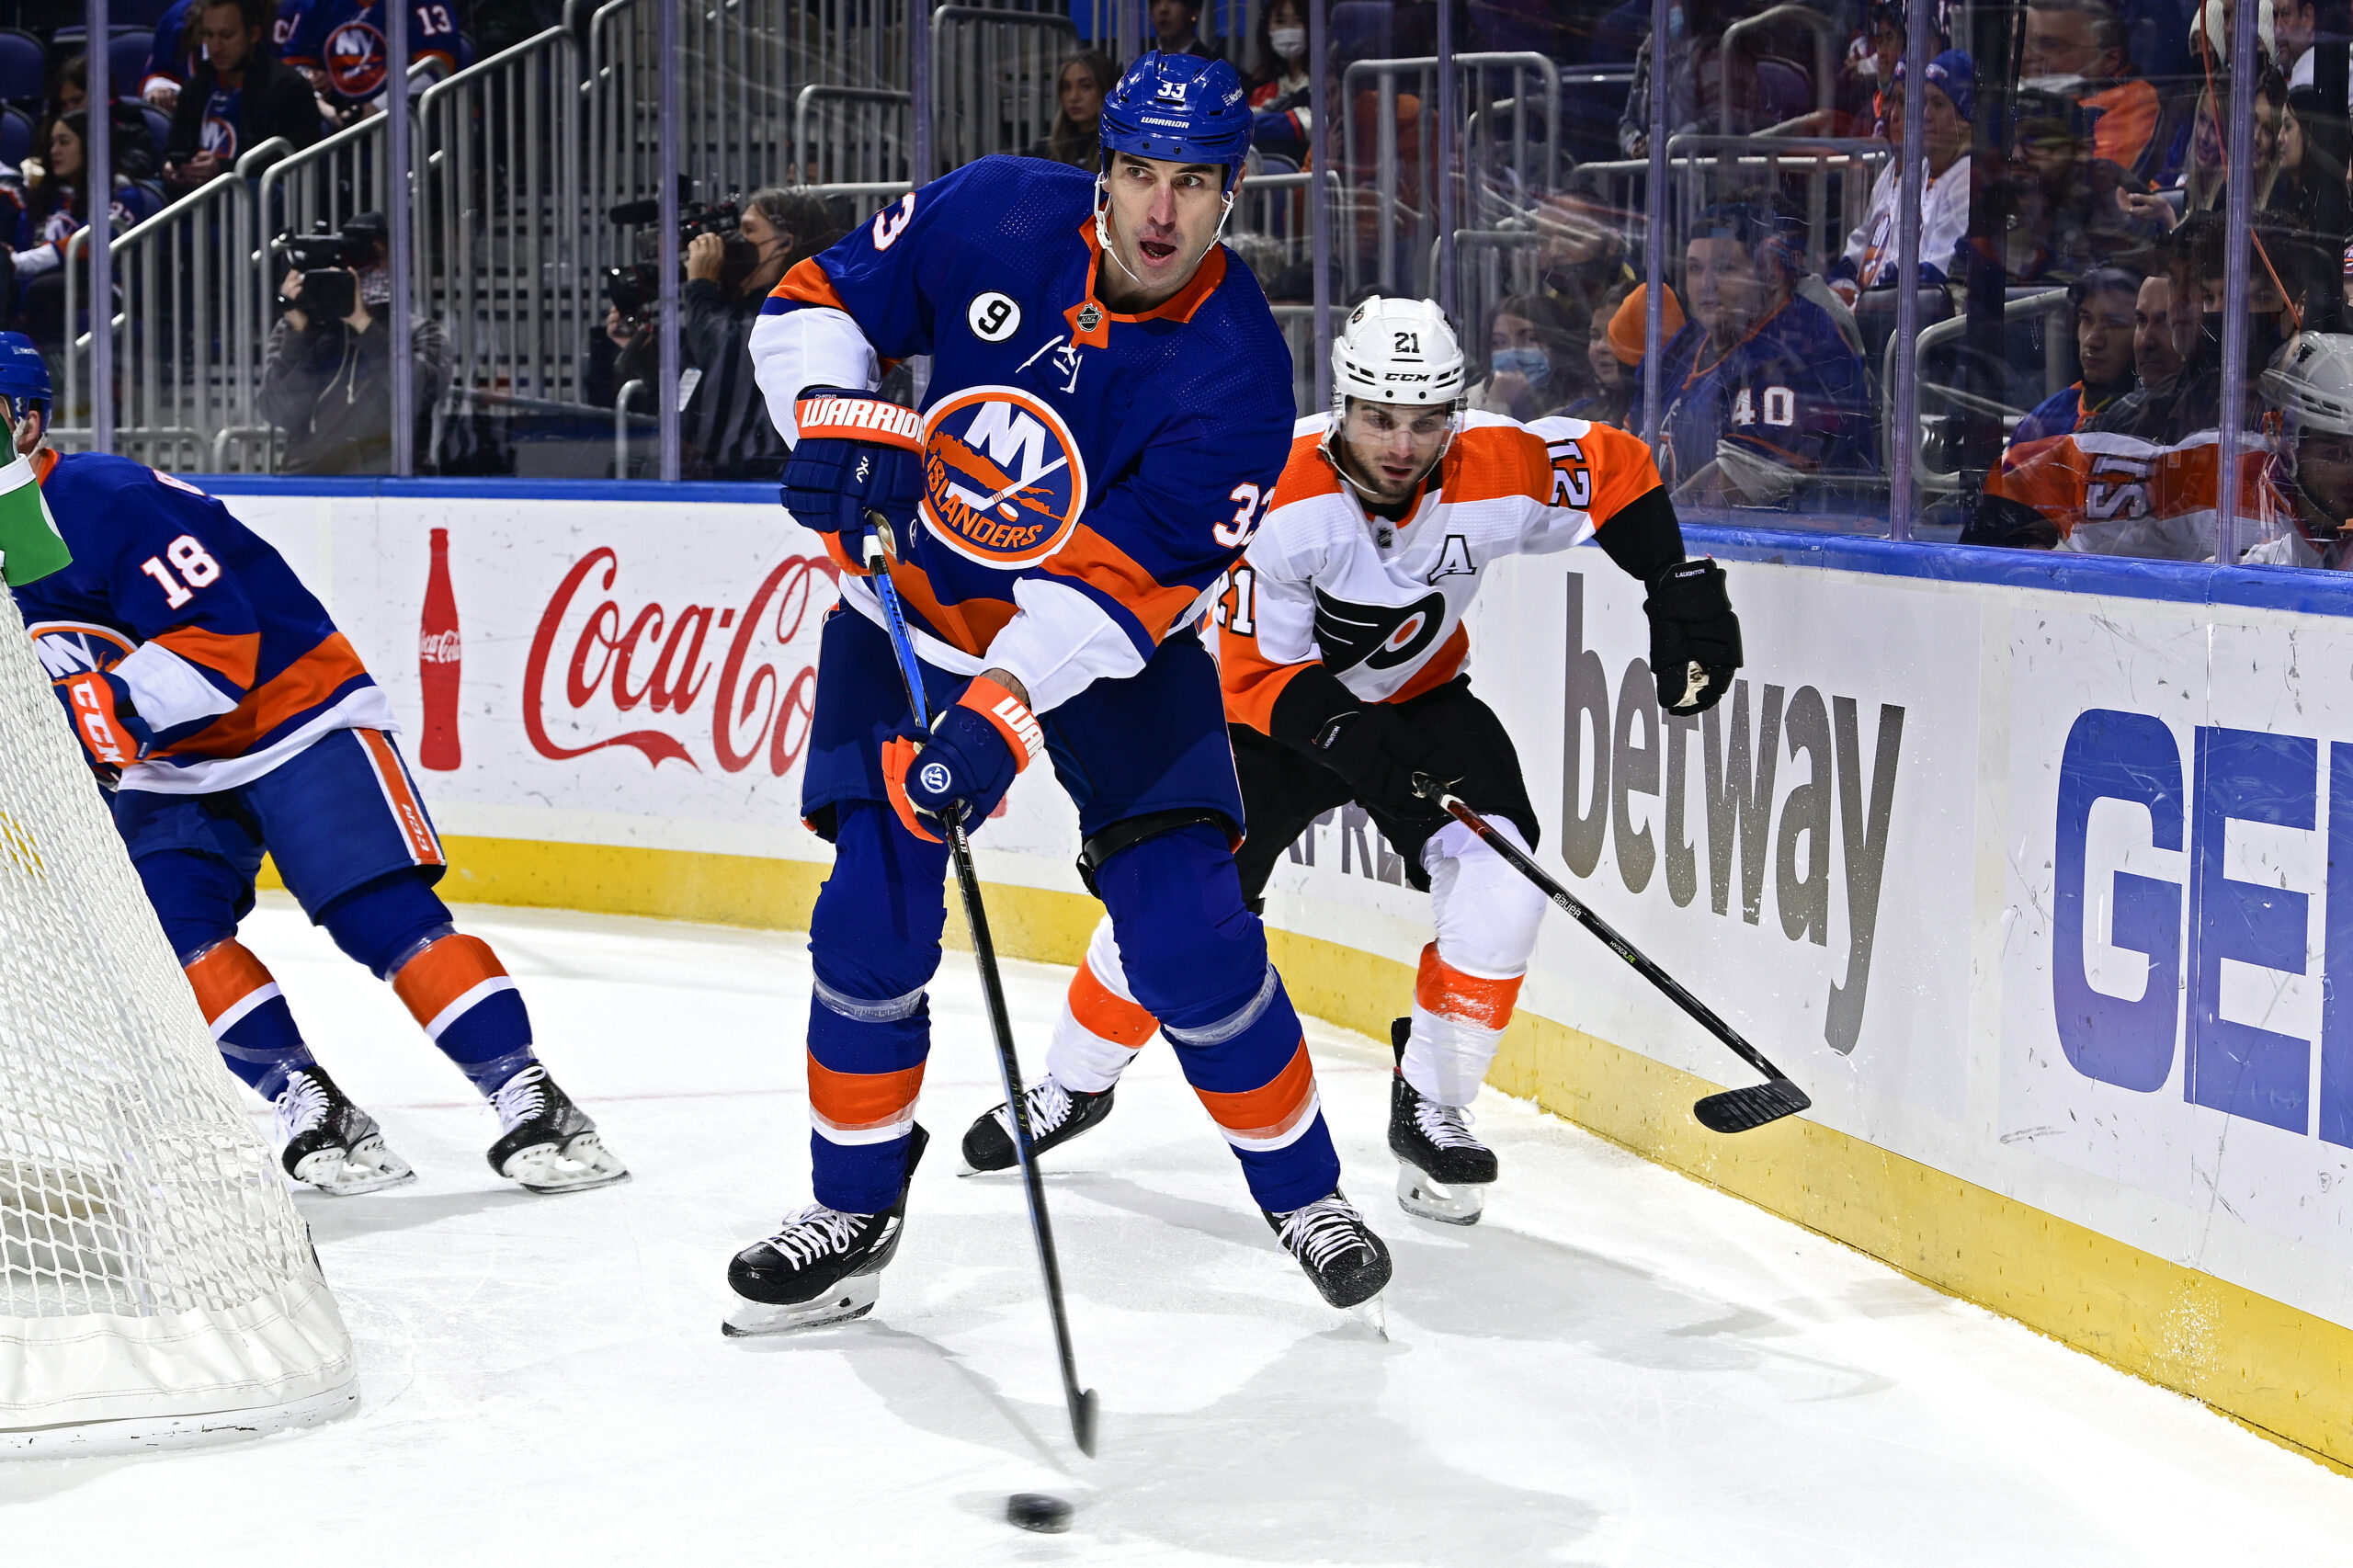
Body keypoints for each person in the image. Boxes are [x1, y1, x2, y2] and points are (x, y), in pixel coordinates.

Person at [725, 51, 1384, 1334]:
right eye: (1139, 172)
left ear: (1232, 192)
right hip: (906, 618)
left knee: (1190, 937)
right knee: (869, 919)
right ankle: (853, 1212)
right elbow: (812, 298)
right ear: (1106, 165)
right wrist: (828, 420)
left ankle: (1306, 1193)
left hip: (1110, 653)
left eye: (1192, 183)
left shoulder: (1241, 377)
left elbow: (1105, 597)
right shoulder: (995, 210)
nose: (1158, 211)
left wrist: (996, 715)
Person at [957, 300, 1743, 1227]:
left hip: (1421, 703)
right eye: (1378, 416)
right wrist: (1369, 753)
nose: (1401, 443)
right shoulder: (1276, 492)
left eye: (1424, 420)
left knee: (1505, 877)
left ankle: (1433, 1098)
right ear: (1342, 405)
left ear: (1454, 410)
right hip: (1263, 723)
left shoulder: (1497, 463)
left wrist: (1669, 582)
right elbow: (1256, 677)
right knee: (1171, 913)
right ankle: (1072, 1083)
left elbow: (1615, 468)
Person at [0, 334, 629, 1197]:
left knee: (381, 918)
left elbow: (215, 641)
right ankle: (309, 1099)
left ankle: (530, 1097)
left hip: (295, 715)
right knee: (169, 940)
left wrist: (103, 711)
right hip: (172, 765)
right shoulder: (6, 540)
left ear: (29, 421)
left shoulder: (100, 498)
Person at [1655, 200, 1874, 508]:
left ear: (1769, 273)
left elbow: (1723, 496)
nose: (1706, 285)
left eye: (1725, 268)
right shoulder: (1687, 342)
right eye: (1695, 268)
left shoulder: (1798, 343)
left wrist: (1649, 525)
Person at [609, 187, 837, 479]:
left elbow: (724, 350)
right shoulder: (727, 307)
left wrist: (700, 285)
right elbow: (704, 392)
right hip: (703, 478)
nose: (730, 242)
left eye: (748, 230)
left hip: (758, 483)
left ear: (783, 244)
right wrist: (650, 360)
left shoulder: (796, 310)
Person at [257, 210, 450, 473]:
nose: (373, 271)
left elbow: (414, 397)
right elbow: (279, 412)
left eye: (378, 259)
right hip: (309, 480)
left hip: (391, 481)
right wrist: (299, 335)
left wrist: (363, 324)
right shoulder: (297, 328)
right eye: (359, 260)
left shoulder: (419, 332)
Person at [1828, 51, 1972, 306]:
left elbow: (1934, 275)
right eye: (1924, 104)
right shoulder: (1911, 172)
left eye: (1938, 105)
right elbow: (1862, 252)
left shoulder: (1968, 179)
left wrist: (1866, 302)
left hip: (1910, 322)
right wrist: (1842, 289)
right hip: (1877, 307)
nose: (1925, 115)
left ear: (1966, 120)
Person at [10, 110, 154, 351]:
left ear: (90, 145)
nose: (55, 150)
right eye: (52, 143)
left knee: (43, 291)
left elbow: (94, 243)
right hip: (38, 294)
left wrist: (22, 263)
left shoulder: (121, 195)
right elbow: (22, 246)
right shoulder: (44, 198)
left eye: (64, 142)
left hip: (95, 290)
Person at [162, 0, 325, 196]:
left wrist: (223, 169)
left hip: (256, 202)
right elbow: (174, 147)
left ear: (253, 34)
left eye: (226, 35)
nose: (216, 47)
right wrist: (170, 167)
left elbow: (291, 160)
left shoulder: (288, 87)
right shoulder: (196, 87)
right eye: (209, 35)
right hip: (199, 200)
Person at [2021, 0, 2162, 181]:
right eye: (2023, 44)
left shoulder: (2132, 101)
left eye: (2050, 45)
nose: (2027, 56)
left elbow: (2093, 178)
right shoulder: (2021, 96)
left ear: (2110, 59)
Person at [2008, 269, 2142, 445]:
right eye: (2086, 319)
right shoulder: (2041, 423)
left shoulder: (2160, 419)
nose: (2092, 340)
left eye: (2114, 323)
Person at [1467, 290, 1578, 420]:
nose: (1513, 352)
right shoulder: (1467, 403)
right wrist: (1496, 404)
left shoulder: (1580, 411)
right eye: (1499, 342)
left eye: (1530, 339)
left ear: (1557, 346)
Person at [1026, 51, 1116, 169]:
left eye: (1086, 86)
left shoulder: (1117, 151)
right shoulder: (1044, 152)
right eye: (1066, 87)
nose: (1073, 97)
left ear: (1105, 90)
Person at [1149, 0, 1214, 57]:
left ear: (1194, 11)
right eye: (1156, 1)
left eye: (1173, 1)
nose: (1163, 9)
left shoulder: (1210, 66)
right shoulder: (1142, 60)